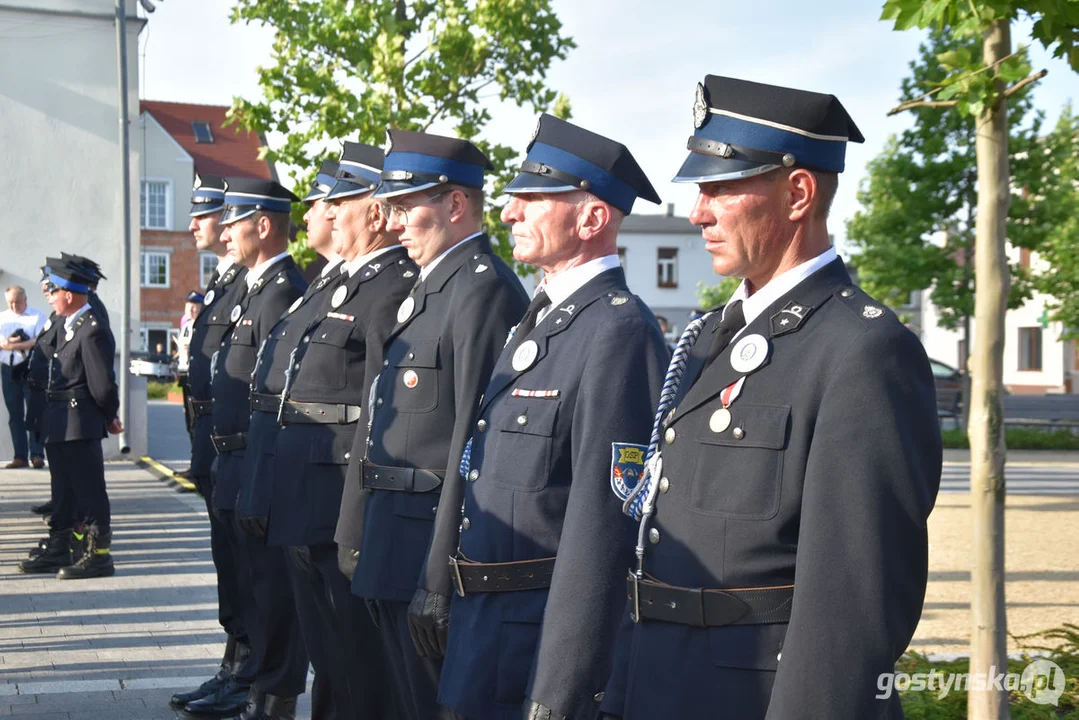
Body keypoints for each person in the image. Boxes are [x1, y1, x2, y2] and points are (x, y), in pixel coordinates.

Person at [598, 76, 943, 720]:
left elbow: (854, 602)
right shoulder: (708, 337)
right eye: (701, 190)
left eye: (721, 188)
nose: (699, 212)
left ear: (798, 193)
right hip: (658, 680)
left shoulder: (861, 350)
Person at [436, 115, 670, 720]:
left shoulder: (618, 330)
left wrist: (563, 686)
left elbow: (603, 530)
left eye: (532, 199)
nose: (509, 213)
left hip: (535, 649)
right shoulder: (539, 320)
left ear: (591, 219)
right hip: (483, 629)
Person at [336, 129, 529, 720]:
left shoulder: (483, 291)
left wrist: (442, 575)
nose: (393, 224)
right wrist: (354, 530)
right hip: (390, 538)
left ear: (454, 204)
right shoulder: (427, 289)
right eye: (389, 209)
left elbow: (476, 444)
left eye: (406, 207)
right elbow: (377, 422)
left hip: (427, 548)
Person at [266, 142, 412, 720]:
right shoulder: (346, 282)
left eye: (340, 202)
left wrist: (357, 513)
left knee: (358, 664)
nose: (328, 212)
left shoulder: (392, 284)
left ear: (374, 213)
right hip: (310, 496)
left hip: (340, 504)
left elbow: (382, 409)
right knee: (330, 657)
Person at [228, 159, 348, 720]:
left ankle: (269, 691)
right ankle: (254, 681)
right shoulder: (321, 284)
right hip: (275, 467)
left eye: (328, 202)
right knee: (265, 592)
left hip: (327, 488)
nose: (315, 213)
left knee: (330, 639)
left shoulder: (292, 287)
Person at [207, 176, 307, 720]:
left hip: (254, 460)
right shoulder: (252, 288)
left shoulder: (281, 290)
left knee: (267, 592)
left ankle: (262, 691)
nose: (225, 235)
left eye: (233, 223)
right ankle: (243, 677)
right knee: (243, 583)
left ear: (263, 225)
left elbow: (271, 392)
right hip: (232, 459)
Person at [169, 173, 258, 717]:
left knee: (244, 569)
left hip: (236, 447)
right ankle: (231, 666)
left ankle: (245, 675)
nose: (200, 227)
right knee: (228, 565)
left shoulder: (251, 285)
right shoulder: (224, 285)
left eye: (206, 216)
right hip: (211, 441)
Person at [19, 259, 122, 579]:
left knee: (89, 492)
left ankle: (99, 556)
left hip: (80, 420)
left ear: (71, 293)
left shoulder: (92, 329)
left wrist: (109, 416)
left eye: (55, 290)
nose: (49, 294)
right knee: (63, 491)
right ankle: (61, 546)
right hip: (59, 420)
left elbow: (102, 383)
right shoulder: (68, 324)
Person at [1, 285, 47, 469]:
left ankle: (37, 454)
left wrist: (19, 345)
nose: (14, 306)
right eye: (10, 303)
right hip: (8, 369)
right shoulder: (2, 317)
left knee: (35, 412)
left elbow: (41, 340)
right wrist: (8, 344)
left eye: (17, 302)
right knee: (15, 414)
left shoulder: (37, 316)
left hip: (30, 368)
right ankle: (19, 456)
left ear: (25, 300)